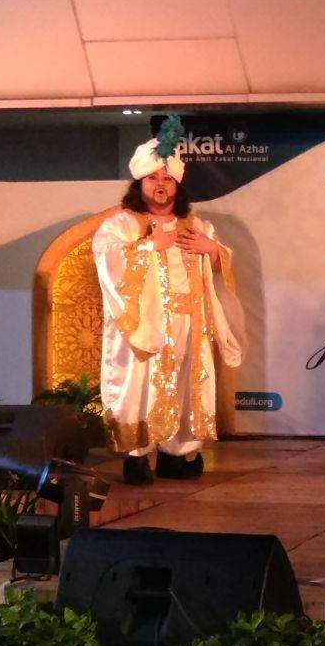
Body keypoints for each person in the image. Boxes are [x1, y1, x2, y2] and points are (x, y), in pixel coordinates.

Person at [92, 116, 243, 485]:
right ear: (140, 183)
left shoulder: (197, 226)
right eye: (153, 178)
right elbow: (107, 260)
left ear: (177, 184)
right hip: (144, 326)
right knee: (140, 387)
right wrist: (148, 247)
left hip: (188, 323)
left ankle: (177, 454)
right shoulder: (121, 225)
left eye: (167, 179)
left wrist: (212, 250)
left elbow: (222, 267)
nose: (160, 185)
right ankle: (137, 457)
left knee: (185, 385)